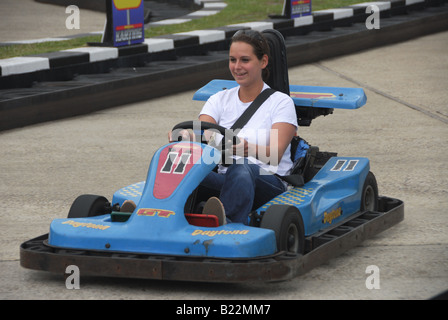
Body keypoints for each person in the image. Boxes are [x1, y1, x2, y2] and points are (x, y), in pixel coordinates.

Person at [196, 29, 298, 225]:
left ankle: (228, 225)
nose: (237, 67)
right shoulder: (219, 99)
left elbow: (275, 154)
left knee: (242, 166)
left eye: (244, 60)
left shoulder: (281, 103)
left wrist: (247, 148)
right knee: (180, 162)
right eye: (232, 60)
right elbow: (204, 132)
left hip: (268, 181)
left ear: (263, 62)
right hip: (227, 180)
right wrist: (185, 137)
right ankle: (157, 216)